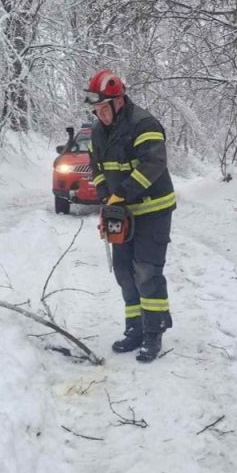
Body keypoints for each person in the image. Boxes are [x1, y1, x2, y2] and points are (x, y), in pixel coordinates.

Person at [85, 69, 176, 362]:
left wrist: (120, 194)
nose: (100, 115)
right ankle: (134, 329)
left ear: (119, 101)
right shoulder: (97, 132)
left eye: (104, 108)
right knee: (124, 272)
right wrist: (106, 200)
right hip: (119, 212)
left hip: (152, 210)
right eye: (96, 110)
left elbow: (153, 164)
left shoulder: (143, 124)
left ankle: (154, 332)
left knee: (147, 271)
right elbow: (96, 169)